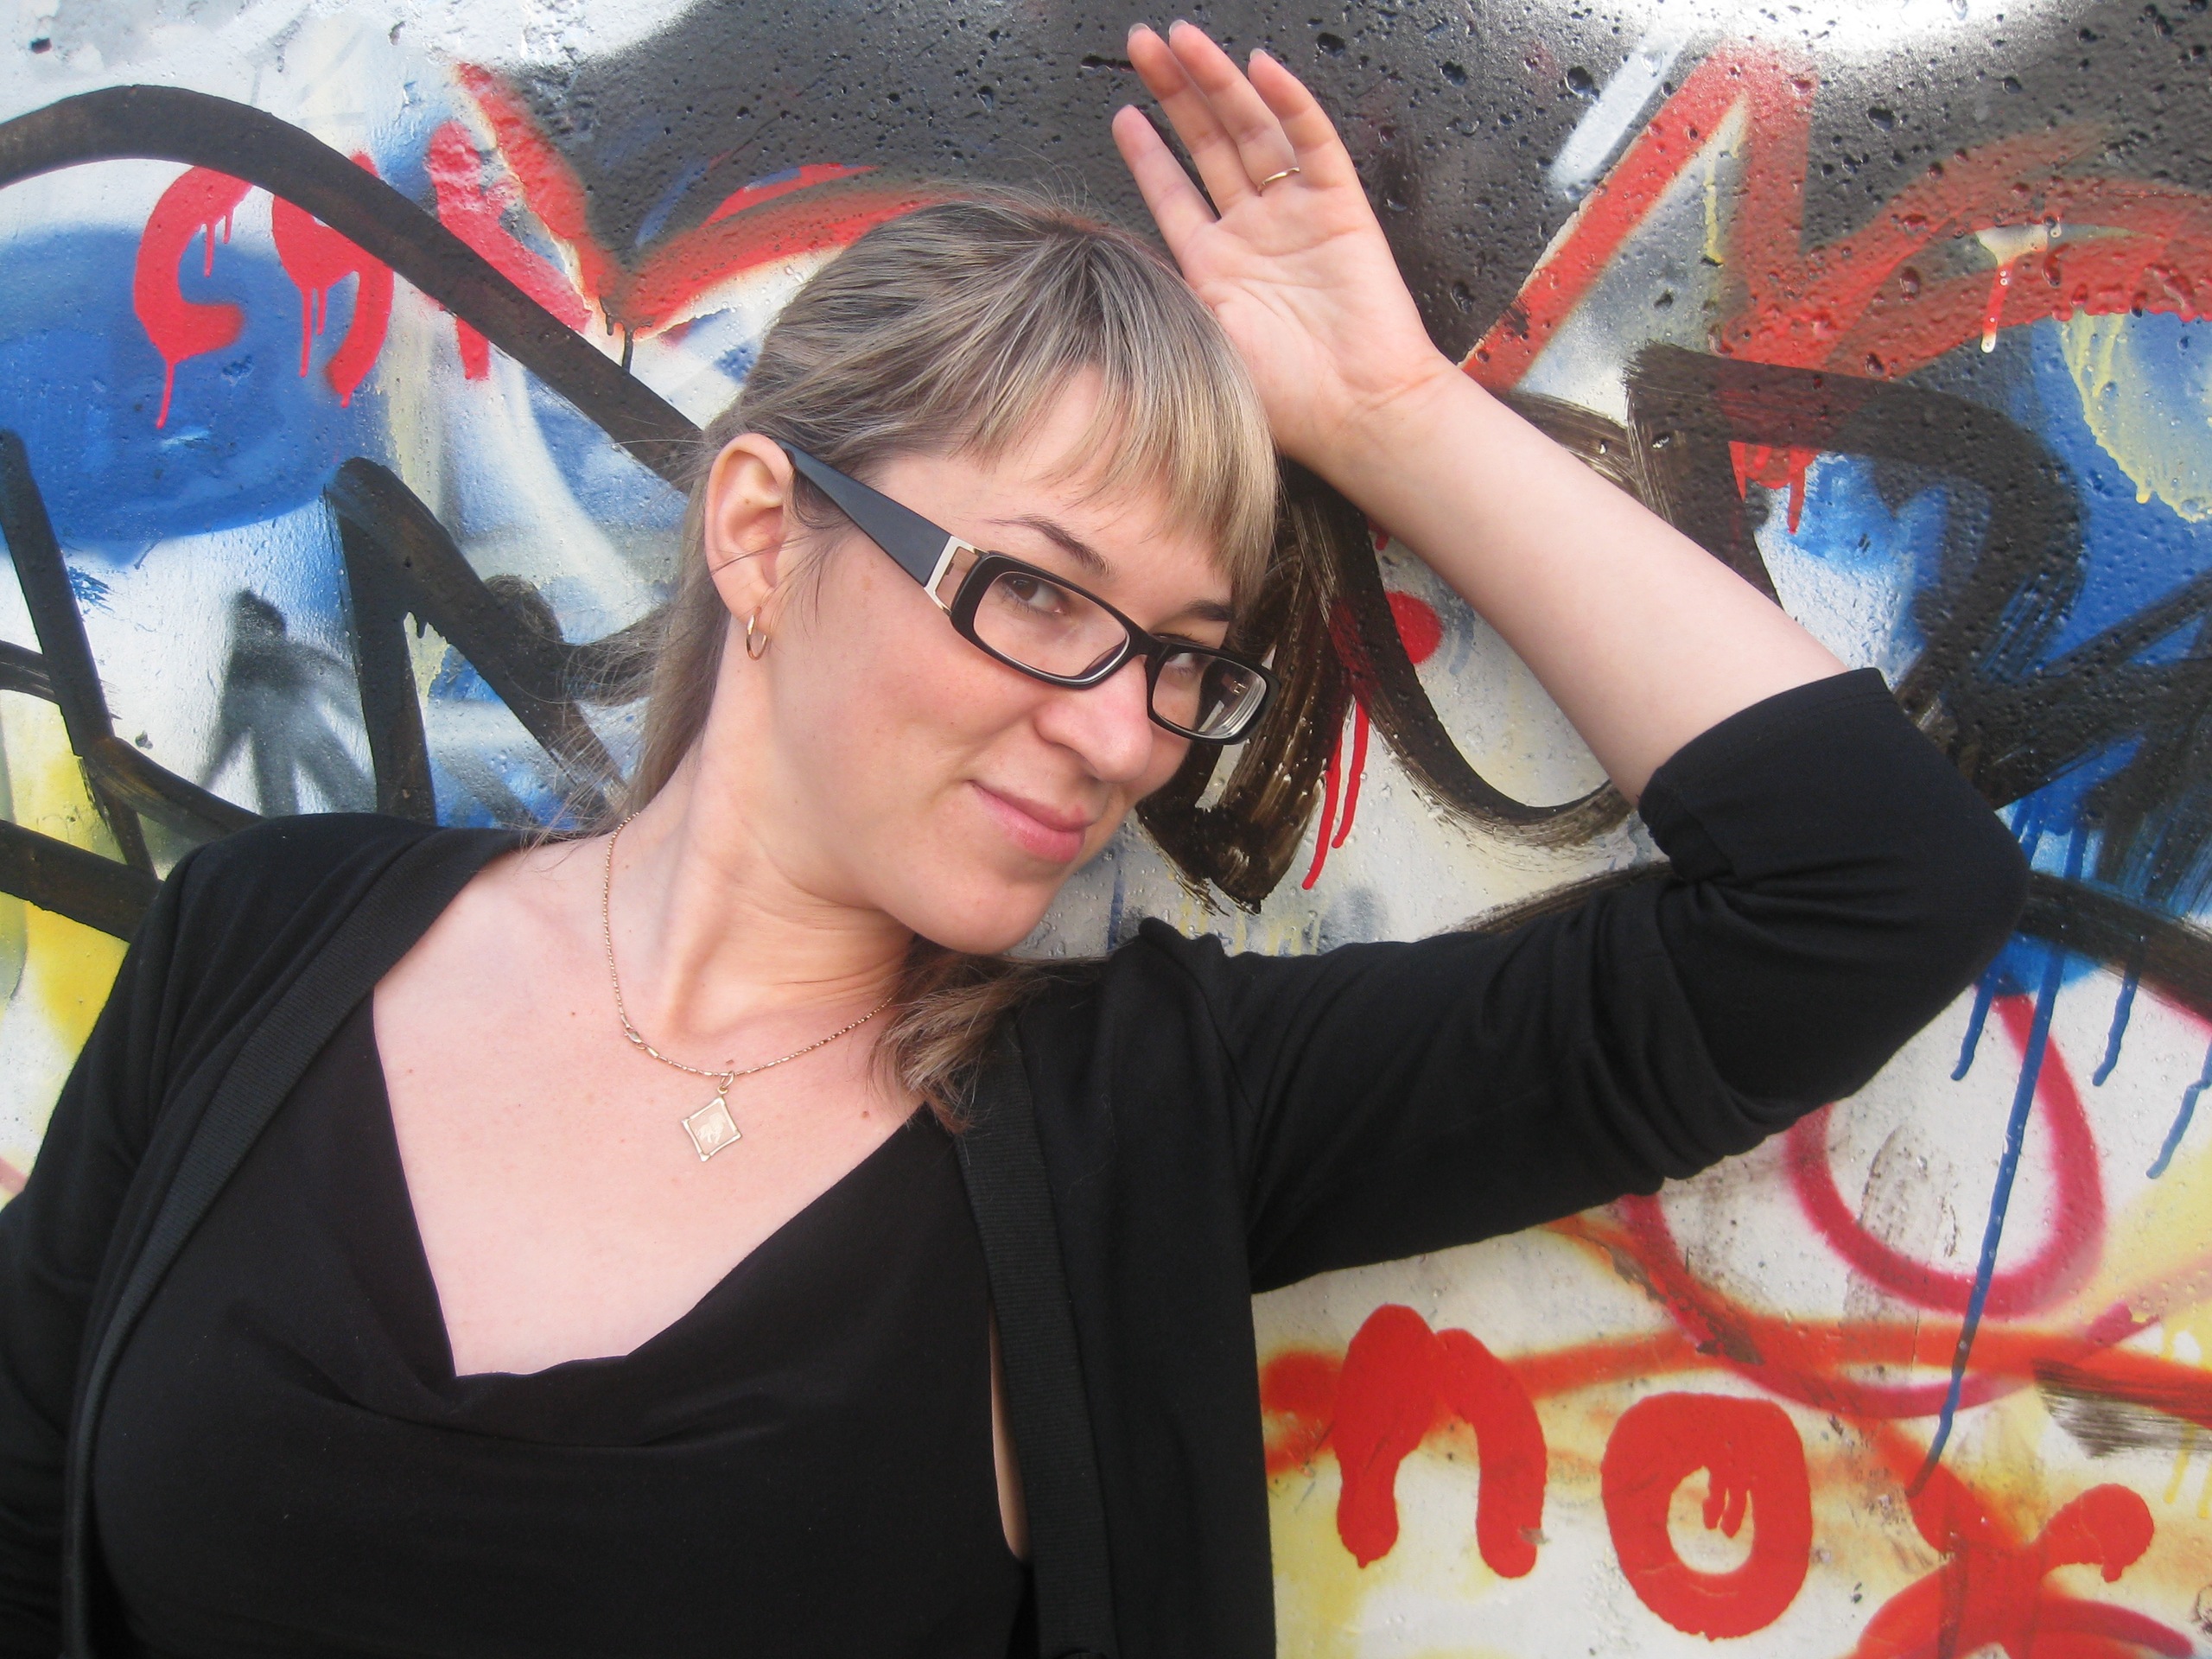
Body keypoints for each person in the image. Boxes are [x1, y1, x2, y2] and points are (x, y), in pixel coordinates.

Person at [0, 22, 2024, 1659]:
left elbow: (1861, 889)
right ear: (763, 535)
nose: (1123, 734)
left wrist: (1387, 414)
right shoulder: (255, 950)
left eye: (1181, 659)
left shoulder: (1125, 1125)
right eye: (1040, 595)